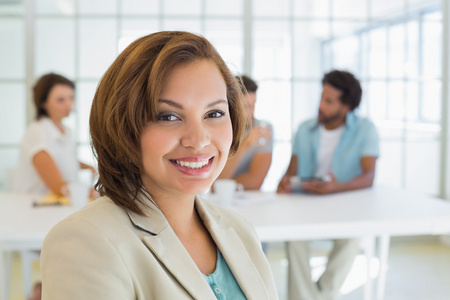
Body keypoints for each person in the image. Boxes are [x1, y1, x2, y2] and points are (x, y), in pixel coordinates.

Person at [41, 31, 278, 299]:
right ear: (123, 126)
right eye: (168, 116)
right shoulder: (83, 242)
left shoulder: (240, 230)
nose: (199, 140)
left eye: (214, 113)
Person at [277, 70, 379, 300]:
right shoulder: (305, 129)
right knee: (294, 239)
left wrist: (336, 188)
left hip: (345, 205)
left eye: (329, 101)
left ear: (347, 107)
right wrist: (285, 182)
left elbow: (368, 176)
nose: (321, 106)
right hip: (306, 203)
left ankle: (318, 296)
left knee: (351, 239)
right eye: (322, 98)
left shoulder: (365, 130)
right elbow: (291, 172)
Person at [13, 73, 96, 197]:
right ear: (43, 103)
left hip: (57, 202)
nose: (69, 105)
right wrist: (98, 194)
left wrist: (88, 167)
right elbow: (58, 186)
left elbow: (63, 159)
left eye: (71, 97)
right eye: (60, 100)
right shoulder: (37, 132)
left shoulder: (66, 130)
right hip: (35, 203)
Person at [217, 75, 272, 190]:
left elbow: (255, 182)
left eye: (254, 105)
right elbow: (215, 184)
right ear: (231, 106)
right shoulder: (219, 129)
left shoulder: (262, 130)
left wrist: (224, 183)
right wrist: (245, 144)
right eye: (246, 107)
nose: (252, 112)